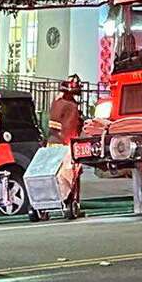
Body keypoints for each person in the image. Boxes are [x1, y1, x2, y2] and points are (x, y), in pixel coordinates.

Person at [47, 76, 86, 216]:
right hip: (65, 145)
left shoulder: (56, 103)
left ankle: (49, 202)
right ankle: (72, 203)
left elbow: (52, 125)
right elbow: (70, 129)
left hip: (51, 143)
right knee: (72, 174)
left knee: (52, 174)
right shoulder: (71, 106)